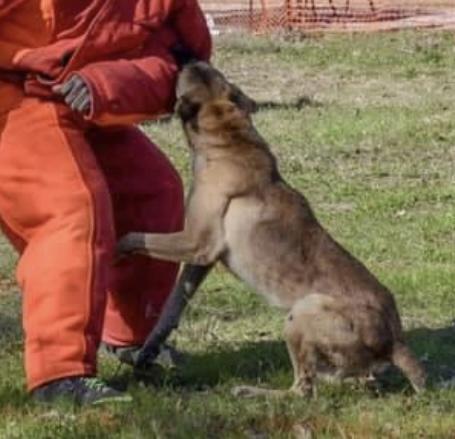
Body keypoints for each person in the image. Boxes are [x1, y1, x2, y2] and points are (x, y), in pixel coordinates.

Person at [0, 0, 211, 405]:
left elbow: (176, 65)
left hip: (75, 99)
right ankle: (59, 373)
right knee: (69, 208)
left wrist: (106, 83)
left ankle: (135, 336)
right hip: (12, 100)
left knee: (153, 191)